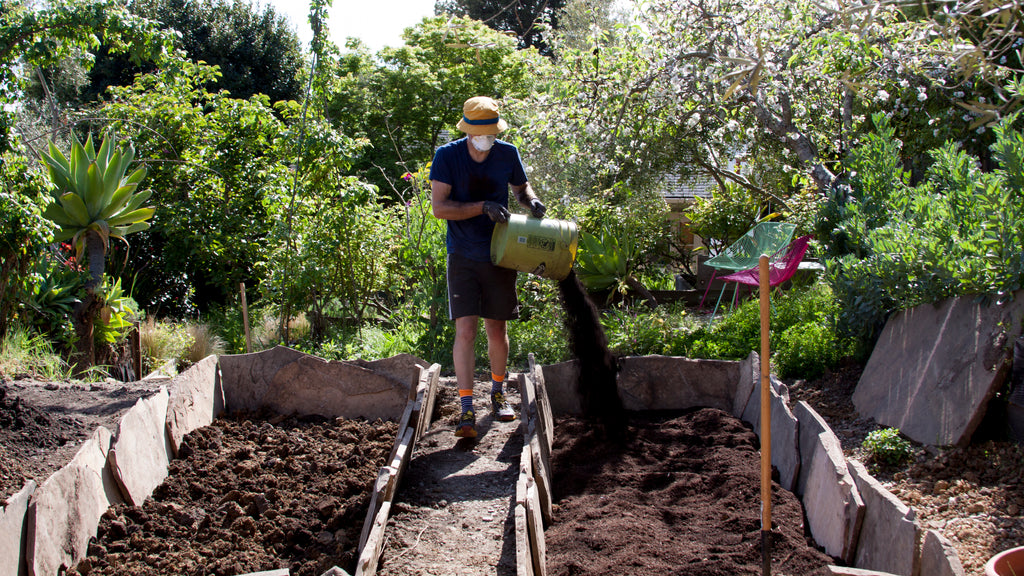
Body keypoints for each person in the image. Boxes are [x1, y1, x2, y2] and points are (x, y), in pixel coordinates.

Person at [430, 96, 546, 438]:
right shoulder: (447, 157)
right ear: (468, 130)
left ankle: (498, 392)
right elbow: (440, 208)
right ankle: (467, 407)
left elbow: (521, 188)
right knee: (465, 330)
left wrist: (532, 200)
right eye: (481, 133)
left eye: (492, 132)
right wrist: (482, 207)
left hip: (501, 253)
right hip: (463, 255)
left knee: (497, 330)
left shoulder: (507, 153)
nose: (487, 138)